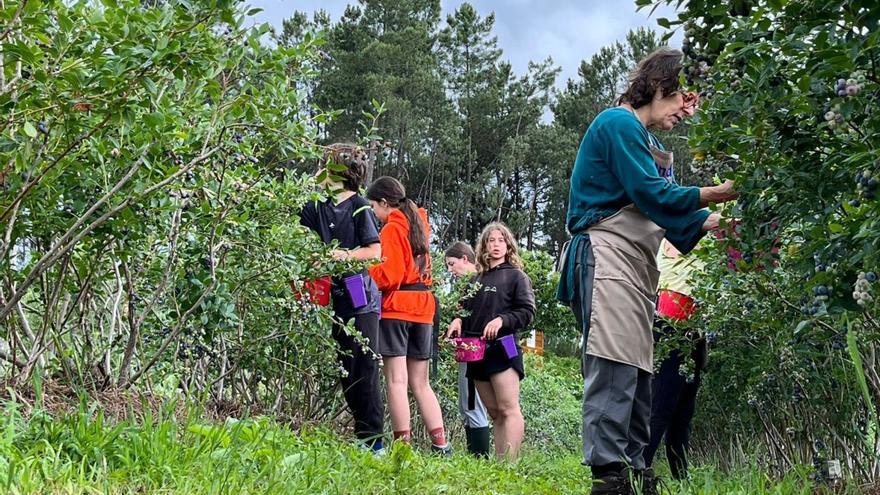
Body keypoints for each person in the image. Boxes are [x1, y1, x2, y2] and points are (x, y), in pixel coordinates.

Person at [555, 47, 738, 494]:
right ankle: (609, 477)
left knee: (637, 370)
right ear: (660, 87)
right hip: (606, 255)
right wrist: (719, 191)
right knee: (614, 365)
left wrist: (725, 221)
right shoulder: (617, 124)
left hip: (635, 266)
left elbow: (670, 212)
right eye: (682, 99)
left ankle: (637, 469)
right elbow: (652, 193)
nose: (685, 113)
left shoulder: (648, 141)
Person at [298, 143, 385, 453]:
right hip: (336, 297)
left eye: (324, 165)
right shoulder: (317, 205)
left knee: (363, 368)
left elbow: (375, 252)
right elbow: (286, 210)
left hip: (361, 299)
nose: (318, 170)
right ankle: (363, 439)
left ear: (337, 171)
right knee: (346, 368)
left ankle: (374, 442)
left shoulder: (360, 206)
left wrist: (338, 255)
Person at [366, 176, 451, 455]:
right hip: (423, 307)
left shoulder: (392, 228)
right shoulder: (419, 223)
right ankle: (441, 445)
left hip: (398, 307)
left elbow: (390, 275)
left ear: (383, 203)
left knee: (396, 380)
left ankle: (402, 448)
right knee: (421, 382)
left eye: (374, 208)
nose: (374, 215)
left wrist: (367, 270)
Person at [447, 223, 536, 461]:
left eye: (500, 240)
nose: (496, 245)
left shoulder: (517, 277)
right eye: (491, 240)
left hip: (504, 348)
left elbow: (527, 312)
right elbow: (463, 309)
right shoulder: (475, 279)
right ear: (484, 245)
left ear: (508, 245)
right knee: (494, 413)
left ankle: (511, 464)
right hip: (476, 352)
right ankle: (500, 464)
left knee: (509, 409)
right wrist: (456, 320)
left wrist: (502, 319)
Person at [643, 239, 708, 480]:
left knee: (682, 410)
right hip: (671, 324)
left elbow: (524, 312)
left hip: (692, 328)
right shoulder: (680, 226)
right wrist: (513, 351)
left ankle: (681, 479)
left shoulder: (695, 225)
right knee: (662, 406)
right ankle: (637, 472)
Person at [443, 241, 491, 457]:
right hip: (468, 350)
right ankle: (475, 458)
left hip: (476, 351)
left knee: (472, 405)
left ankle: (479, 459)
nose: (450, 270)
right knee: (467, 405)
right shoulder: (468, 286)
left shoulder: (479, 282)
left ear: (465, 258)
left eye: (452, 264)